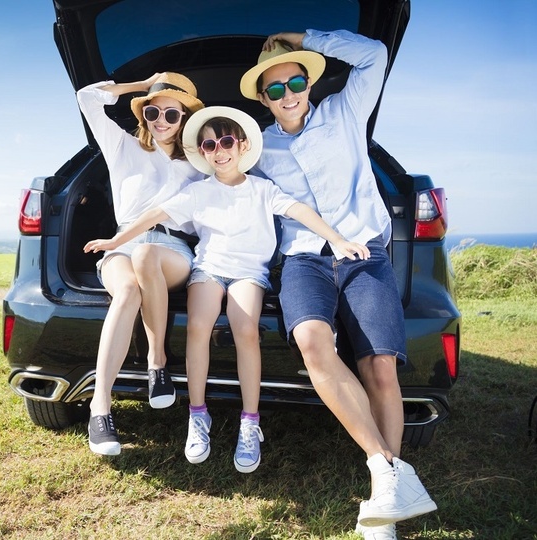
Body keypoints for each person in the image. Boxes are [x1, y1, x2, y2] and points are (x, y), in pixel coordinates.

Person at [84, 106, 369, 473]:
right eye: (209, 145)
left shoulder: (263, 189)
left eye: (226, 142)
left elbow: (300, 211)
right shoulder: (198, 191)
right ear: (202, 152)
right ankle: (197, 415)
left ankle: (250, 421)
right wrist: (116, 241)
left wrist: (338, 239)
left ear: (242, 145)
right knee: (198, 327)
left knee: (245, 330)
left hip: (249, 273)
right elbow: (154, 216)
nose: (219, 151)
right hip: (208, 269)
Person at [240, 30, 437, 538]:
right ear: (263, 98)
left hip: (364, 252)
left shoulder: (345, 111)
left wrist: (306, 38)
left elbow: (374, 55)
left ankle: (382, 503)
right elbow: (210, 167)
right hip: (304, 260)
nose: (288, 94)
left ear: (309, 82)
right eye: (275, 89)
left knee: (380, 366)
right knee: (312, 342)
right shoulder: (256, 147)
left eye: (296, 82)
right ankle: (386, 471)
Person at [76, 72, 205, 456]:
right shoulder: (122, 145)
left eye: (171, 113)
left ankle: (156, 359)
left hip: (173, 250)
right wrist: (143, 85)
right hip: (123, 245)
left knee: (148, 257)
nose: (161, 120)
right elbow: (87, 97)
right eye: (153, 112)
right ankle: (100, 408)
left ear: (184, 119)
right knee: (128, 290)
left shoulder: (199, 162)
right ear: (143, 114)